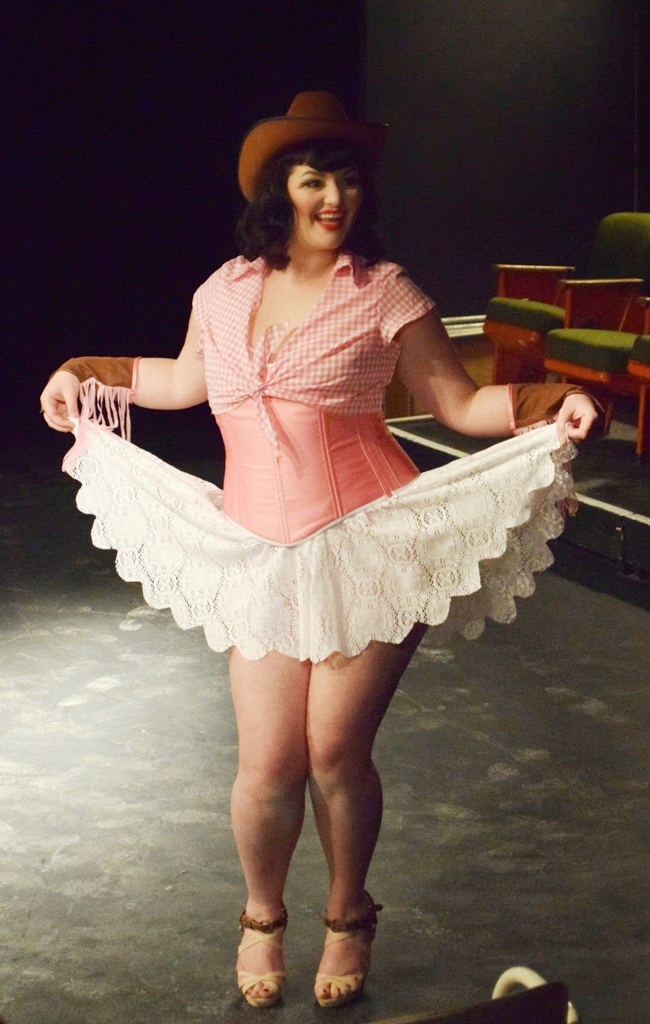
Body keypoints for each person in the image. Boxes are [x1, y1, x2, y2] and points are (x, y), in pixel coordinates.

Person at [40, 92, 598, 1009]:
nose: (334, 197)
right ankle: (261, 917)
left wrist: (549, 403)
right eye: (313, 180)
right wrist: (83, 372)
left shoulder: (383, 291)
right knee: (267, 762)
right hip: (256, 548)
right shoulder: (223, 291)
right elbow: (181, 380)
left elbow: (458, 403)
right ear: (279, 190)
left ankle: (348, 912)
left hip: (368, 541)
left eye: (347, 180)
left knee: (333, 750)